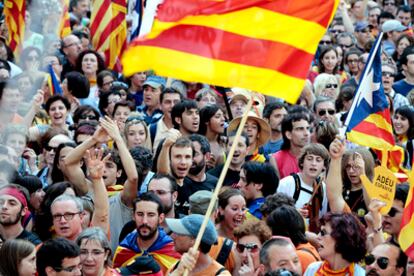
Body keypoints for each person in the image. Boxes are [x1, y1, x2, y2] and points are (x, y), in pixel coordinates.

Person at [112, 193, 181, 274]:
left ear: (160, 218)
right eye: (140, 214)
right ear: (133, 216)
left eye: (151, 215)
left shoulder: (172, 250)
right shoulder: (124, 249)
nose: (144, 221)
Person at [277, 143, 329, 231]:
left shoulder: (323, 188)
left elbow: (322, 218)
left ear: (324, 166)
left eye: (318, 160)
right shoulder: (286, 183)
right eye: (309, 159)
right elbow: (272, 213)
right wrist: (293, 214)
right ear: (302, 162)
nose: (313, 164)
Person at [166, 214, 231, 276]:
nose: (172, 236)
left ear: (194, 240)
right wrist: (177, 273)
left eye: (178, 232)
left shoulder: (220, 274)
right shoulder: (175, 268)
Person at [266, 206, 321, 272]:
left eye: (271, 230)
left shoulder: (299, 256)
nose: (269, 235)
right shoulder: (305, 246)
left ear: (279, 231)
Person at [177, 134, 218, 215]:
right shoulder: (176, 182)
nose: (190, 159)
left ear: (207, 157)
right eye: (187, 154)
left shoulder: (216, 184)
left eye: (194, 154)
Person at [272, 112, 311, 179]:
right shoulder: (276, 159)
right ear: (288, 135)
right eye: (300, 129)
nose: (306, 133)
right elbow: (276, 188)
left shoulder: (317, 156)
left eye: (307, 128)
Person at [149, 88, 183, 152]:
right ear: (160, 105)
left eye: (176, 102)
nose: (172, 106)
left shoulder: (187, 127)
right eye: (168, 102)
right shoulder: (151, 130)